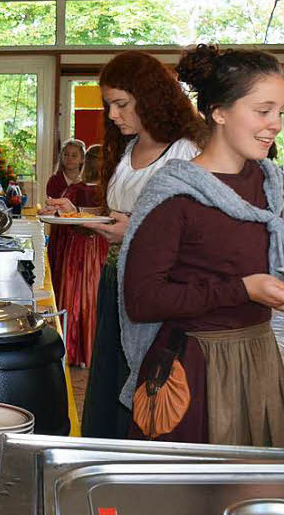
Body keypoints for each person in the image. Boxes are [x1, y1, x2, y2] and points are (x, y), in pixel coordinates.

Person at [119, 45, 284, 444]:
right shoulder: (176, 194)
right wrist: (242, 289)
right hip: (194, 369)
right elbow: (141, 300)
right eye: (263, 111)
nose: (275, 124)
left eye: (280, 113)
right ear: (220, 112)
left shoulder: (273, 187)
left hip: (261, 359)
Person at [60, 51, 205, 440]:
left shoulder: (186, 151)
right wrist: (79, 212)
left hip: (155, 286)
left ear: (151, 98)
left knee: (141, 375)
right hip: (115, 277)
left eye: (121, 104)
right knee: (110, 373)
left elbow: (196, 233)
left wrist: (134, 232)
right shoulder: (127, 150)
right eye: (109, 105)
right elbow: (123, 211)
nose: (112, 115)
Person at [55, 145, 108, 367]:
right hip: (100, 246)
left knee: (74, 293)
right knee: (94, 294)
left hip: (77, 246)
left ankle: (72, 348)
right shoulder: (108, 190)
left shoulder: (75, 190)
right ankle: (92, 350)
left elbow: (66, 220)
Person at [44, 138, 87, 298]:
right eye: (66, 155)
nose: (70, 159)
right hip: (60, 232)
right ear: (62, 157)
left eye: (74, 155)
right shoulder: (54, 181)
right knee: (59, 267)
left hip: (78, 235)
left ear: (82, 159)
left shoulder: (86, 183)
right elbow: (52, 207)